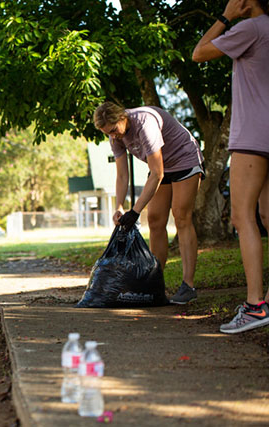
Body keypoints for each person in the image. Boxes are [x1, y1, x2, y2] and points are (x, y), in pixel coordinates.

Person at [193, 0, 269, 333]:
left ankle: (255, 307)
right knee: (267, 216)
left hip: (253, 136)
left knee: (242, 217)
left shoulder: (250, 28)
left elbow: (199, 52)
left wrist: (226, 16)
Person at [93, 102, 204, 304]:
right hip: (163, 168)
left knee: (181, 216)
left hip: (184, 160)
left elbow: (157, 173)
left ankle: (188, 285)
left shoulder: (144, 122)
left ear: (121, 118)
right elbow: (122, 174)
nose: (113, 135)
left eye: (113, 130)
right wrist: (119, 205)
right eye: (107, 133)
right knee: (154, 220)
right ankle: (155, 284)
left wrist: (134, 212)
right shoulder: (115, 135)